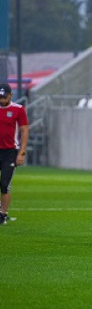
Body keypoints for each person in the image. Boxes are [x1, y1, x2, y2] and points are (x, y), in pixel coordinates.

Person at [0, 83, 28, 224]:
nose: (2, 99)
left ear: (10, 95)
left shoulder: (18, 110)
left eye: (4, 97)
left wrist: (21, 153)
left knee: (5, 184)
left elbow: (24, 131)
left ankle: (3, 214)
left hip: (10, 151)